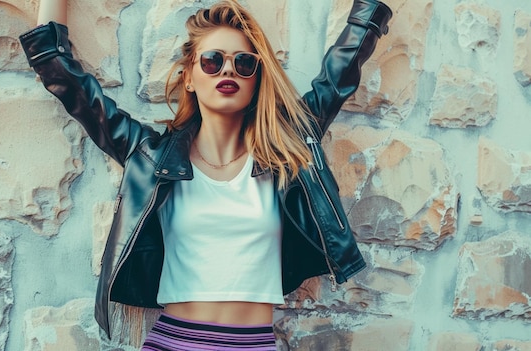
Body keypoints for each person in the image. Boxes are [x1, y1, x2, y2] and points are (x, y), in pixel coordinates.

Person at [20, 0, 392, 349]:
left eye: (244, 63)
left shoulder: (286, 149)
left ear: (256, 80)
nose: (228, 69)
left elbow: (339, 74)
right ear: (190, 78)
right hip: (173, 341)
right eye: (213, 61)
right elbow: (65, 78)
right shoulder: (151, 155)